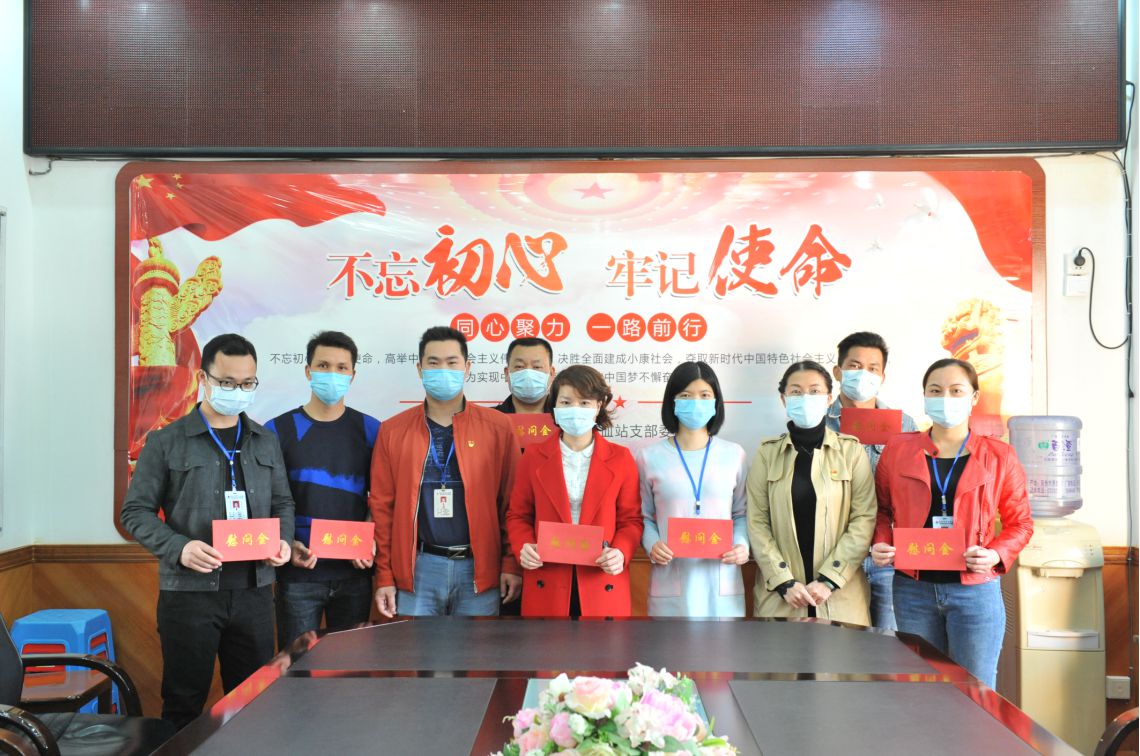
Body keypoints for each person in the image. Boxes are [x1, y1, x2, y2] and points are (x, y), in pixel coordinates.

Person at [120, 333, 294, 730]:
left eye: (247, 383)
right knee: (183, 705)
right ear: (203, 378)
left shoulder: (265, 441)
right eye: (227, 382)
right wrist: (179, 548)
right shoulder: (165, 441)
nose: (238, 391)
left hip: (253, 593)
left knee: (253, 704)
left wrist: (283, 541)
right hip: (189, 595)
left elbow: (283, 502)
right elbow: (135, 512)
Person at [871, 358, 1033, 687]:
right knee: (921, 689)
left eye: (956, 390)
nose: (945, 398)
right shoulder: (898, 450)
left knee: (975, 690)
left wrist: (995, 554)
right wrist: (881, 541)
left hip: (975, 591)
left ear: (974, 397)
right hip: (912, 590)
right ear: (924, 396)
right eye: (935, 390)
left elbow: (1020, 523)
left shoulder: (999, 455)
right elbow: (882, 510)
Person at [370, 326, 521, 617]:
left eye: (452, 362)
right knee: (414, 648)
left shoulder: (498, 428)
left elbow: (511, 503)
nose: (443, 370)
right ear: (420, 369)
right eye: (433, 362)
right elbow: (382, 508)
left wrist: (510, 563)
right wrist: (385, 575)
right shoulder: (392, 431)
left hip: (480, 568)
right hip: (418, 568)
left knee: (479, 647)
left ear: (467, 368)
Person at [267, 331, 380, 650]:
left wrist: (370, 540)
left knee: (351, 665)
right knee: (296, 665)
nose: (333, 374)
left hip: (354, 574)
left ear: (353, 375)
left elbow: (382, 497)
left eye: (342, 368)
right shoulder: (277, 430)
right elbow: (266, 499)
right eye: (323, 365)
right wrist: (287, 542)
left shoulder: (371, 430)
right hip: (298, 575)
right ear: (308, 371)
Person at [506, 365, 643, 617]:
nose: (575, 409)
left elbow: (631, 520)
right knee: (546, 643)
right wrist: (523, 545)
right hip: (547, 574)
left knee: (603, 644)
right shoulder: (533, 457)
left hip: (601, 577)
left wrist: (621, 552)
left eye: (584, 402)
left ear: (599, 405)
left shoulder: (621, 459)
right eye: (566, 402)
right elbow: (518, 515)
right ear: (555, 406)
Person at [746, 360, 875, 625]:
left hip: (840, 595)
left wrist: (830, 579)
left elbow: (864, 518)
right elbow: (757, 521)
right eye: (796, 391)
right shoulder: (767, 453)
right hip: (781, 597)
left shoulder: (851, 451)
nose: (805, 398)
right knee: (780, 654)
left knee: (842, 653)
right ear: (783, 399)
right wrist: (783, 581)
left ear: (829, 398)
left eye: (814, 391)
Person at [637, 361, 749, 617]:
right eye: (685, 396)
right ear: (672, 402)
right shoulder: (649, 457)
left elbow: (741, 514)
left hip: (721, 578)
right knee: (670, 644)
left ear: (716, 402)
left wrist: (741, 545)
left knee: (723, 644)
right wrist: (652, 544)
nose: (695, 402)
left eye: (704, 395)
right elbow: (644, 516)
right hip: (671, 578)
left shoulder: (734, 454)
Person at [825, 331, 917, 631]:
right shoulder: (818, 422)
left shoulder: (903, 425)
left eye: (872, 368)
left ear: (882, 377)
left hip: (886, 557)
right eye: (854, 365)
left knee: (889, 645)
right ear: (838, 371)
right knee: (837, 647)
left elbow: (914, 492)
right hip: (833, 556)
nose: (863, 374)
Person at [496, 336, 556, 414]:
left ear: (551, 374)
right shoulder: (489, 418)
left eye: (537, 367)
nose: (528, 374)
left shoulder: (563, 418)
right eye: (519, 366)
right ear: (507, 374)